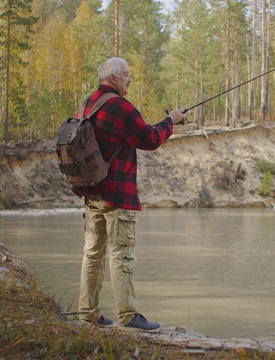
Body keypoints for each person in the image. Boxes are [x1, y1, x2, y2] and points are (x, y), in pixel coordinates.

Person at [74, 57, 187, 331]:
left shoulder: (87, 104)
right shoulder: (120, 107)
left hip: (92, 193)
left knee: (93, 254)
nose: (130, 79)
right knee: (121, 255)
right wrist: (170, 120)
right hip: (117, 195)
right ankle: (128, 316)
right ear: (113, 78)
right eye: (126, 75)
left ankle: (87, 313)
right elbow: (150, 139)